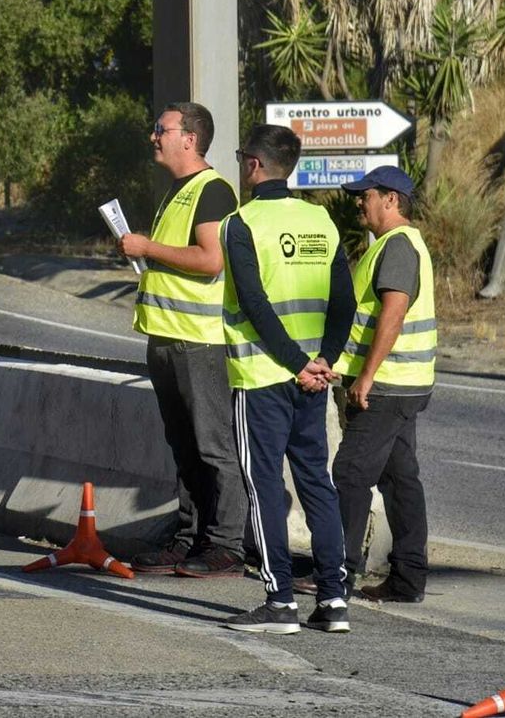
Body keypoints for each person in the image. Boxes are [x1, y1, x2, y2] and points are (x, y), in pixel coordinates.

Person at [219, 123, 356, 635]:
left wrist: (297, 362)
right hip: (313, 379)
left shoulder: (241, 223)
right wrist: (325, 359)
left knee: (264, 487)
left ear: (254, 165)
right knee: (316, 482)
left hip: (261, 375)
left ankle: (279, 601)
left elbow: (254, 304)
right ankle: (334, 599)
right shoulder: (320, 219)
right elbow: (343, 300)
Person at [119, 102, 246, 579]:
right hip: (166, 337)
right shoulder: (178, 190)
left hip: (198, 341)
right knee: (184, 446)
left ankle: (226, 544)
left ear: (189, 138)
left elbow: (211, 260)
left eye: (161, 129)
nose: (154, 136)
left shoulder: (212, 191)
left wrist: (147, 247)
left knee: (213, 447)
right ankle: (189, 537)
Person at [331, 166, 435, 604]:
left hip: (389, 384)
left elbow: (394, 311)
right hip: (403, 382)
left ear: (391, 199)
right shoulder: (396, 245)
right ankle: (408, 579)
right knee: (399, 478)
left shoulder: (397, 246)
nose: (359, 202)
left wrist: (367, 375)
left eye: (366, 195)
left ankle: (338, 573)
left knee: (350, 472)